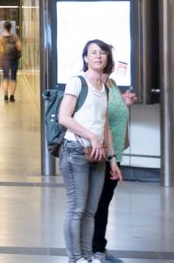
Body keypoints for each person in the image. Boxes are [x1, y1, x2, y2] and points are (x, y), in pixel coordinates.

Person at [58, 40, 122, 263]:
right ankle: (75, 258)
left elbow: (105, 126)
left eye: (102, 53)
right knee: (76, 208)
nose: (98, 56)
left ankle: (87, 256)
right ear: (85, 58)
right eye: (93, 53)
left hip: (99, 155)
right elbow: (64, 117)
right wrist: (91, 137)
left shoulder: (104, 87)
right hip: (75, 152)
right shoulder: (77, 82)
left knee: (90, 210)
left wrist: (112, 158)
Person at [93, 61, 137, 263]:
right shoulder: (95, 84)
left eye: (107, 55)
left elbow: (114, 110)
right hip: (101, 155)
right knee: (96, 205)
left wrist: (124, 102)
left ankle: (99, 248)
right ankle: (93, 251)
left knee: (103, 204)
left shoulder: (111, 82)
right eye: (98, 53)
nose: (104, 59)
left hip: (114, 154)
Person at [1, 21, 22, 103]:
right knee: (13, 78)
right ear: (11, 27)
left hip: (5, 60)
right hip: (14, 59)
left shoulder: (1, 37)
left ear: (4, 27)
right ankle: (12, 96)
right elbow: (19, 48)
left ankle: (5, 94)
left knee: (5, 77)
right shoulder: (15, 36)